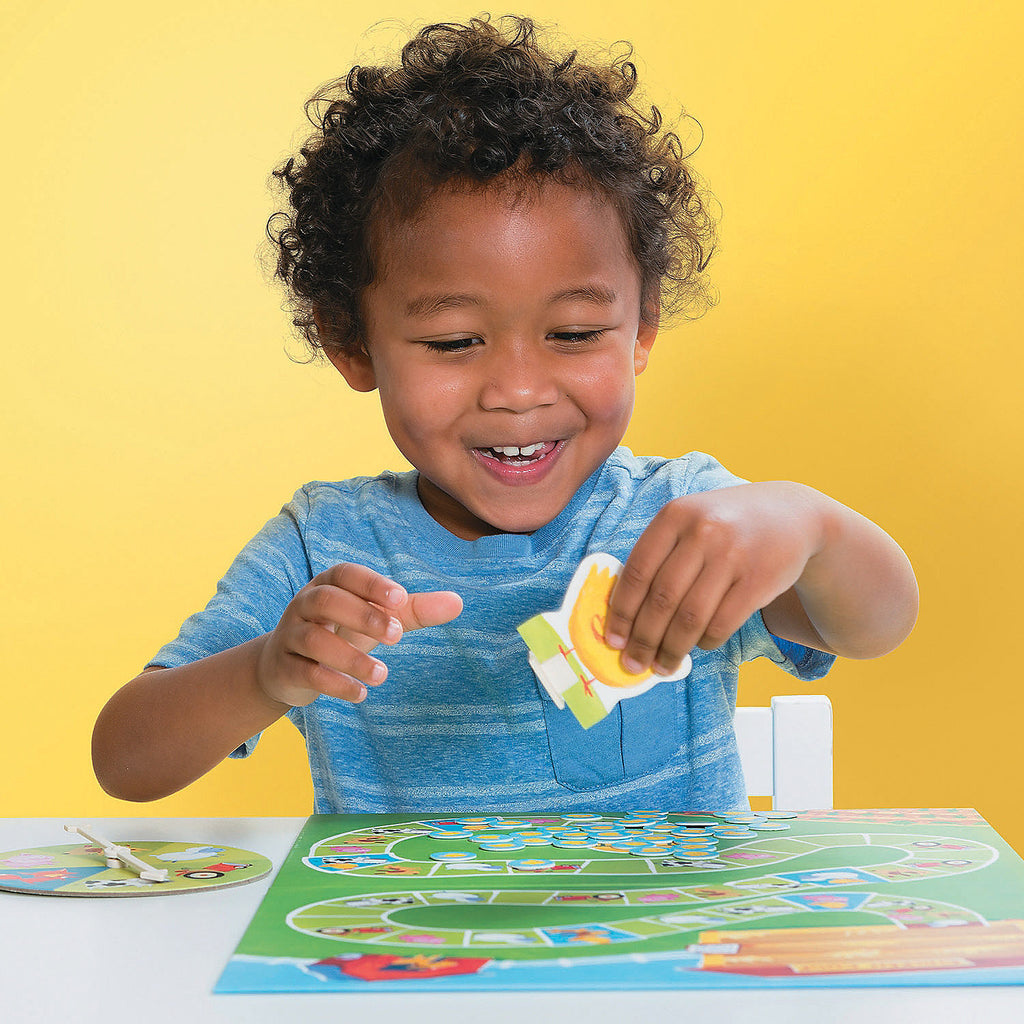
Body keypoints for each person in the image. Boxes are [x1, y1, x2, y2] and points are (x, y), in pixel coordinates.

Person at [92, 15, 918, 815]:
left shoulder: (686, 519)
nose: (519, 391)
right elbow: (126, 760)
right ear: (351, 342)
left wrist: (808, 526)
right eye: (455, 342)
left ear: (642, 327)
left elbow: (880, 625)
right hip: (407, 919)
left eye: (574, 334)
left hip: (661, 918)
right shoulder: (323, 545)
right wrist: (266, 672)